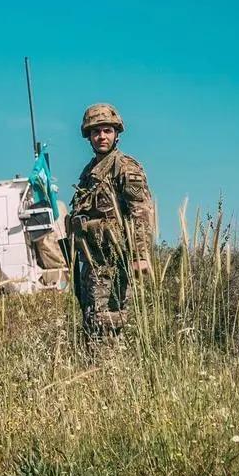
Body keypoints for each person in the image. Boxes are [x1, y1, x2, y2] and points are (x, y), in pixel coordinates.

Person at [67, 103, 154, 345]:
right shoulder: (89, 173)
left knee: (108, 325)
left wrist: (139, 254)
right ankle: (98, 377)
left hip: (113, 264)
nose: (101, 136)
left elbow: (141, 212)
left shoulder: (124, 167)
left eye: (106, 130)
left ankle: (110, 376)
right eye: (96, 132)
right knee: (91, 325)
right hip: (90, 265)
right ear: (89, 137)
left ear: (116, 133)